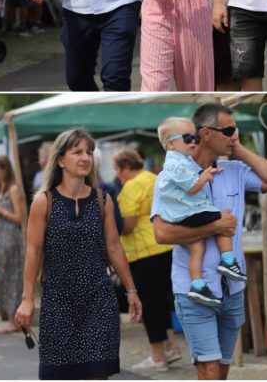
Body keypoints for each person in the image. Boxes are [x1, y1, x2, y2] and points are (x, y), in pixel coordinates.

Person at [152, 103, 267, 380]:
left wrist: (237, 148)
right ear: (205, 133)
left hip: (233, 287)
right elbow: (162, 234)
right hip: (195, 287)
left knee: (223, 369)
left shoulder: (234, 169)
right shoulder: (173, 177)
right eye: (228, 130)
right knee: (209, 368)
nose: (234, 135)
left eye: (235, 130)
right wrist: (214, 227)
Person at [14, 128, 142, 380]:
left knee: (98, 373)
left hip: (98, 298)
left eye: (89, 152)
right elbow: (33, 251)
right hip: (58, 299)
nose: (86, 157)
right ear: (60, 160)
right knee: (59, 373)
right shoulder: (44, 201)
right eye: (78, 152)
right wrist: (27, 298)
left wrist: (131, 290)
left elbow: (114, 247)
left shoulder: (102, 199)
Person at [154, 117, 246, 307]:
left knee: (197, 249)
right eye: (187, 138)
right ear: (171, 144)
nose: (194, 142)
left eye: (194, 137)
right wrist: (204, 176)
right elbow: (192, 188)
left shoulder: (177, 162)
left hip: (181, 215)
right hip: (189, 212)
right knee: (224, 219)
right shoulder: (177, 164)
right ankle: (228, 260)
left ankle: (197, 285)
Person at [111, 148, 181, 372]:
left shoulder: (132, 186)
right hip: (165, 245)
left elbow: (128, 225)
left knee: (149, 305)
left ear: (124, 167)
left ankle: (158, 356)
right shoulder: (154, 177)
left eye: (117, 170)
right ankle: (172, 347)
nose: (118, 176)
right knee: (161, 300)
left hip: (142, 251)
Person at [0, 155, 25, 334]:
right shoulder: (0, 188)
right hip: (1, 236)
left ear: (4, 170)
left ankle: (14, 321)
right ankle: (9, 316)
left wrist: (1, 211)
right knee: (3, 276)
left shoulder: (14, 189)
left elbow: (19, 217)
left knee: (13, 277)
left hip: (12, 238)